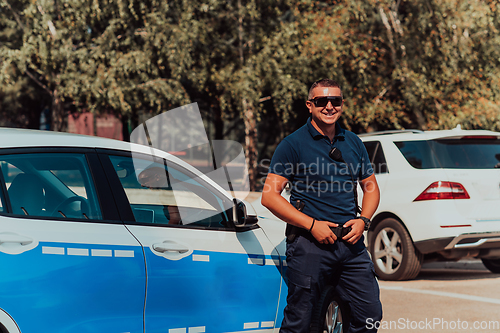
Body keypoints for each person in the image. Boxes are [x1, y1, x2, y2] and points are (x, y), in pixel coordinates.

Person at [261, 79, 382, 332]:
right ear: (310, 105)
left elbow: (370, 187)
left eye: (335, 101)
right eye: (321, 101)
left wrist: (364, 221)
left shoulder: (353, 142)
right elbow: (270, 196)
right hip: (309, 246)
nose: (329, 106)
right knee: (300, 322)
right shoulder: (292, 145)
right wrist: (312, 224)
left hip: (351, 246)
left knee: (369, 315)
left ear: (342, 104)